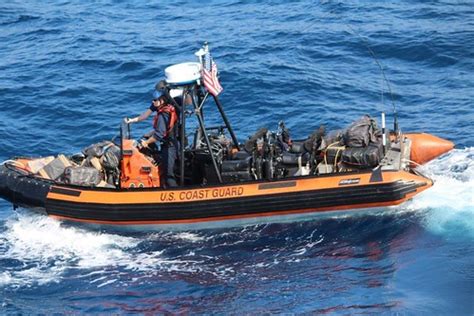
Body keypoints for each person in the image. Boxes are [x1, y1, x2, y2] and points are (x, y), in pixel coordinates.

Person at [126, 90, 179, 187]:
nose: (152, 102)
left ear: (162, 101)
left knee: (169, 174)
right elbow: (145, 115)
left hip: (169, 146)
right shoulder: (162, 107)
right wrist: (132, 120)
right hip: (169, 142)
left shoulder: (163, 115)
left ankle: (174, 193)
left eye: (155, 100)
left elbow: (159, 135)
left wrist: (146, 143)